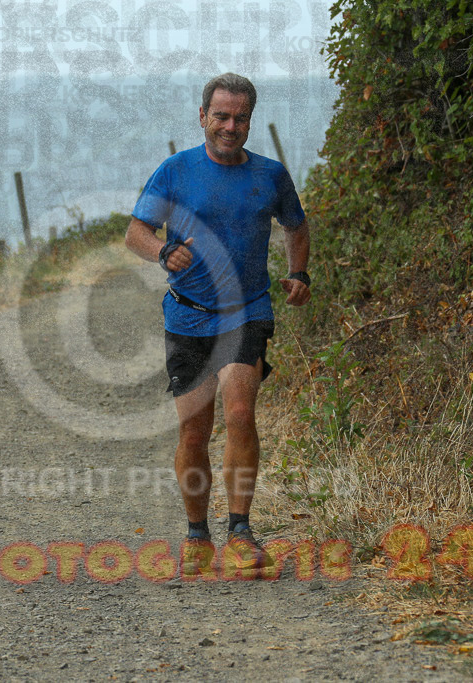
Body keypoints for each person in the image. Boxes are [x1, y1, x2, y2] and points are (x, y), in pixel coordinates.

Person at [124, 72, 311, 577]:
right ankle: (196, 535)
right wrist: (163, 250)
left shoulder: (270, 175)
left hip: (246, 312)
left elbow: (296, 224)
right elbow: (136, 231)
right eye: (221, 116)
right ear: (203, 116)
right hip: (188, 314)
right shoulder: (175, 171)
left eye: (240, 118)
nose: (230, 126)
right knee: (193, 431)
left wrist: (297, 272)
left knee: (241, 413)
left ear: (250, 121)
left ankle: (241, 531)